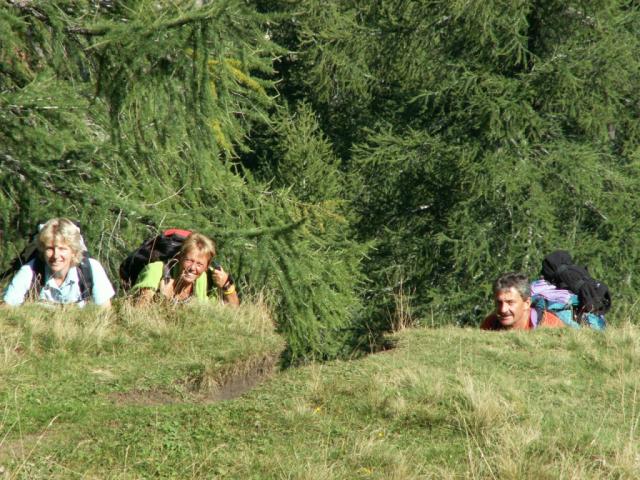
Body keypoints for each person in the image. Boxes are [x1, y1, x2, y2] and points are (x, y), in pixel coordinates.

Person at [2, 218, 115, 307]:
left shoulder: (91, 269)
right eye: (50, 249)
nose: (56, 255)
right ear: (42, 250)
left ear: (73, 251)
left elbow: (104, 313)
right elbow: (7, 309)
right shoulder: (30, 271)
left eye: (62, 249)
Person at [132, 232, 239, 306]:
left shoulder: (206, 279)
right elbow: (139, 311)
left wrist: (227, 286)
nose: (193, 268)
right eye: (189, 260)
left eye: (199, 264)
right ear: (179, 257)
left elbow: (233, 315)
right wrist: (163, 299)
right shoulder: (156, 271)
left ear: (206, 267)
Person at [480, 272, 565, 330]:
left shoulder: (550, 325)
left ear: (527, 303)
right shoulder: (490, 325)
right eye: (499, 302)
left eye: (510, 302)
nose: (503, 309)